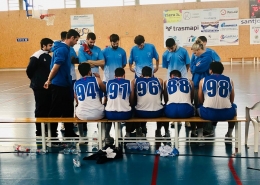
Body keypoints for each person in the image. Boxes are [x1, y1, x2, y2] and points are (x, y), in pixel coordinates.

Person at [44, 29, 80, 139]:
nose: (76, 42)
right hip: (58, 84)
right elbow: (56, 67)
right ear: (72, 38)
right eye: (76, 40)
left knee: (68, 108)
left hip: (66, 83)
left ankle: (69, 132)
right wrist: (49, 79)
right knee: (55, 109)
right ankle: (51, 134)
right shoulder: (62, 50)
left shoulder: (67, 49)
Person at [197, 62, 237, 144]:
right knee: (234, 106)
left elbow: (200, 99)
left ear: (211, 70)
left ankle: (200, 135)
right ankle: (229, 134)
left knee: (198, 106)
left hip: (208, 114)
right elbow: (232, 99)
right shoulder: (230, 80)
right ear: (222, 70)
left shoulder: (203, 80)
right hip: (227, 114)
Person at [102, 34, 127, 143]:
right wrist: (108, 72)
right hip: (108, 80)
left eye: (117, 43)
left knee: (121, 99)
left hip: (119, 80)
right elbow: (102, 65)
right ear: (110, 42)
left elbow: (123, 65)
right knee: (107, 101)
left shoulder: (122, 51)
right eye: (114, 43)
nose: (115, 44)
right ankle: (106, 133)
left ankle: (121, 127)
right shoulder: (104, 51)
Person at [26, 38, 53, 136]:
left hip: (47, 86)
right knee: (40, 108)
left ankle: (46, 128)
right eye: (50, 45)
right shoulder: (36, 55)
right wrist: (36, 81)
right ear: (44, 46)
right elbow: (29, 70)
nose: (51, 47)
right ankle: (39, 131)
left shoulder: (48, 56)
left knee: (48, 107)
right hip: (38, 87)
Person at [130, 66, 164, 137]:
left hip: (140, 113)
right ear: (152, 74)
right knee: (161, 105)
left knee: (134, 105)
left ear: (142, 74)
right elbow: (160, 96)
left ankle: (138, 129)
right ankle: (158, 130)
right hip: (157, 112)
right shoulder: (160, 80)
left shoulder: (135, 81)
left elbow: (133, 98)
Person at [190, 39, 214, 139]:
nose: (194, 54)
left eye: (195, 52)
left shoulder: (207, 57)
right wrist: (194, 66)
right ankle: (198, 128)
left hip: (204, 86)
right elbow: (192, 67)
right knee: (197, 106)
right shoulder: (197, 57)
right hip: (196, 84)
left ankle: (208, 129)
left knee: (205, 106)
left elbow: (196, 69)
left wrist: (194, 66)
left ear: (200, 49)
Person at [105, 68, 132, 144]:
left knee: (107, 109)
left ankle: (106, 135)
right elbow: (131, 98)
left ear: (114, 76)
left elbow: (107, 97)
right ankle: (128, 135)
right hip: (125, 114)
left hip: (110, 114)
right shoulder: (129, 82)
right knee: (132, 110)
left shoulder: (108, 83)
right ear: (124, 75)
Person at [60, 31, 79, 131]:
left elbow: (75, 60)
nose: (75, 42)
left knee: (73, 99)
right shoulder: (60, 49)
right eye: (75, 40)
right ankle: (64, 122)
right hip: (65, 79)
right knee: (65, 101)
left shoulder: (71, 49)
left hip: (72, 77)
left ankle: (71, 121)